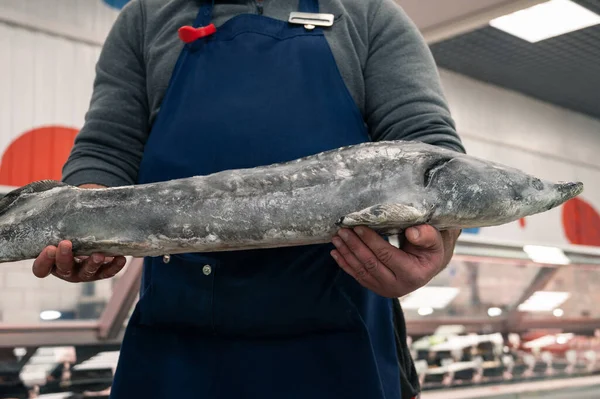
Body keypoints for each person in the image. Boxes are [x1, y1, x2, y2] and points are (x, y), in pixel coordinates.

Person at [32, 0, 464, 398]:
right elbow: (108, 149)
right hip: (176, 341)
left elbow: (431, 156)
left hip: (339, 340)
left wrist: (437, 247)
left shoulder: (368, 15)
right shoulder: (146, 17)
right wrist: (87, 223)